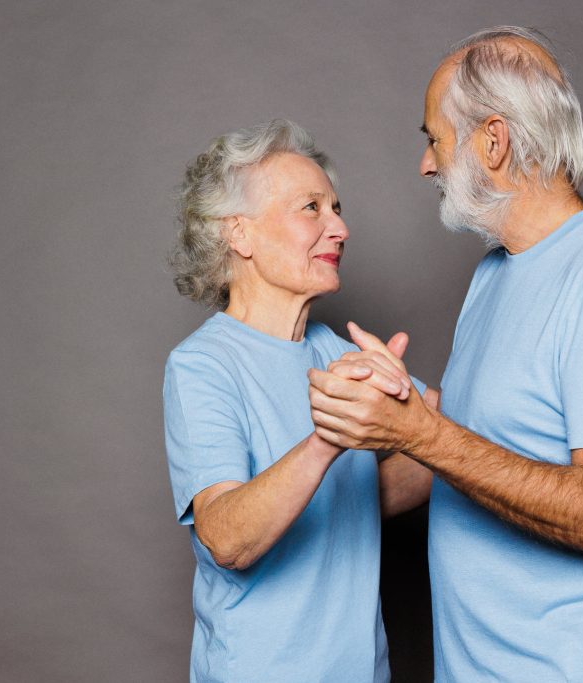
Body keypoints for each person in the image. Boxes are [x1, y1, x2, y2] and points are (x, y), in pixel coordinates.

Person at [308, 27, 583, 681]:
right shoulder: (494, 275)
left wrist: (421, 430)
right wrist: (299, 497)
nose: (426, 164)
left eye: (434, 138)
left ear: (493, 140)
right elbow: (457, 451)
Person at [162, 119, 432, 682]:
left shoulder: (337, 353)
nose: (340, 228)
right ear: (239, 235)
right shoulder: (202, 365)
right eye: (311, 207)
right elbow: (227, 538)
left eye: (336, 208)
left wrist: (430, 426)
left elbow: (381, 487)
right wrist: (328, 438)